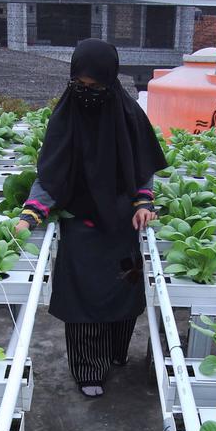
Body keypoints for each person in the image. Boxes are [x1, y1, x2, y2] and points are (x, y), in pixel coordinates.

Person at [15, 39, 168, 397]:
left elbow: (142, 169)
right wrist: (30, 214)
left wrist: (143, 204)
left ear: (110, 81)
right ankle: (88, 370)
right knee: (84, 302)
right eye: (79, 85)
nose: (86, 92)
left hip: (123, 227)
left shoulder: (129, 115)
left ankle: (116, 353)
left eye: (95, 86)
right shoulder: (66, 116)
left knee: (124, 294)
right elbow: (50, 175)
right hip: (82, 227)